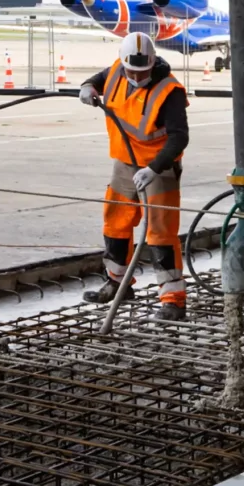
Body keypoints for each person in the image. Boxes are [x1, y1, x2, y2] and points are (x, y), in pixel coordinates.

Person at [80, 30, 189, 315]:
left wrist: (154, 168)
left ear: (153, 63)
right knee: (115, 221)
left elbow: (179, 138)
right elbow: (100, 79)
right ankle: (117, 284)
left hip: (158, 168)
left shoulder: (169, 91)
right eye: (133, 72)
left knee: (160, 233)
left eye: (144, 73)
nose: (138, 78)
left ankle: (172, 300)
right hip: (125, 163)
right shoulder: (117, 70)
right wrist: (88, 87)